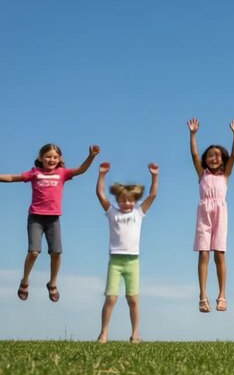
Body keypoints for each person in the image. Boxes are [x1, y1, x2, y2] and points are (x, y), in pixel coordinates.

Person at [1, 143, 99, 302]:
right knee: (34, 251)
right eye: (48, 156)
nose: (51, 159)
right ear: (41, 158)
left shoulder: (62, 173)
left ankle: (52, 283)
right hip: (36, 218)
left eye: (55, 157)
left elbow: (81, 170)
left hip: (53, 219)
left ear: (59, 158)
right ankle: (25, 281)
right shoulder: (35, 173)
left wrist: (91, 156)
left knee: (56, 253)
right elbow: (13, 177)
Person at [95, 162, 158, 344]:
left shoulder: (138, 213)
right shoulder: (111, 212)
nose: (127, 203)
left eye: (130, 200)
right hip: (115, 261)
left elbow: (152, 195)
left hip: (133, 262)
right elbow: (100, 194)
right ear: (118, 201)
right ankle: (103, 334)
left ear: (135, 201)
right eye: (123, 200)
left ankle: (135, 335)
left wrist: (154, 176)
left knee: (133, 299)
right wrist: (102, 175)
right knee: (111, 298)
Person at [188, 118, 234, 313]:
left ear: (222, 159)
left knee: (219, 254)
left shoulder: (225, 175)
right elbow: (193, 153)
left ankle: (222, 295)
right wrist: (193, 135)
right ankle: (202, 296)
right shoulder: (202, 175)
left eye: (217, 155)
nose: (214, 158)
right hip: (204, 213)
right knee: (203, 253)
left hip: (220, 213)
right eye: (210, 155)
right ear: (205, 159)